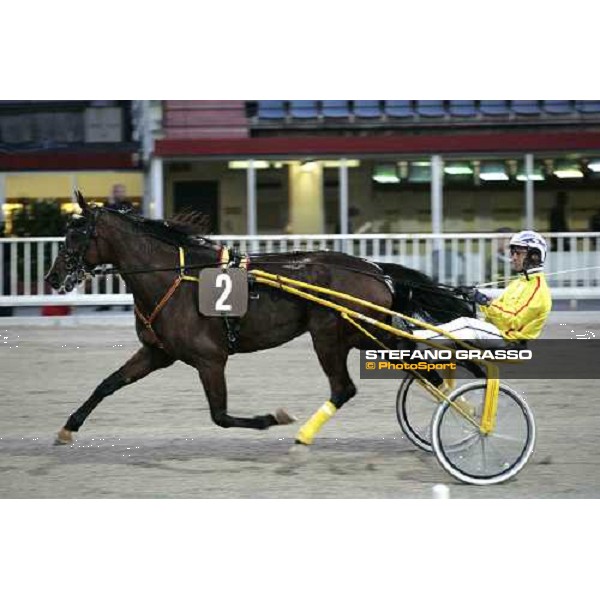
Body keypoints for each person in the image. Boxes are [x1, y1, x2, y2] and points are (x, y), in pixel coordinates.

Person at [412, 230, 552, 343]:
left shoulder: (538, 290)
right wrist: (475, 296)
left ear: (534, 256)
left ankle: (416, 338)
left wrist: (484, 301)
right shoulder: (518, 283)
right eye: (513, 253)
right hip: (496, 332)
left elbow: (513, 322)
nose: (513, 258)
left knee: (467, 324)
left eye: (518, 253)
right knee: (457, 317)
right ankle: (422, 336)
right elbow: (498, 310)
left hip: (509, 341)